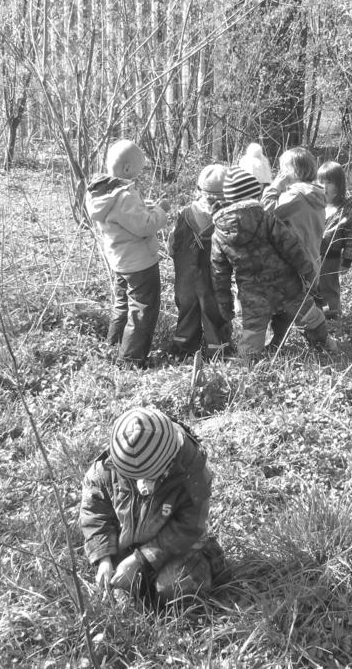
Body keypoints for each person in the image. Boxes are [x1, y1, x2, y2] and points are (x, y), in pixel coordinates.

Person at [80, 407, 224, 606]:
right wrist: (104, 557)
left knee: (175, 587)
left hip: (173, 548)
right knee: (111, 591)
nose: (141, 485)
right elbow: (95, 512)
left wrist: (141, 559)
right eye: (130, 477)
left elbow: (188, 528)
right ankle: (135, 592)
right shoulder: (106, 469)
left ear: (168, 464)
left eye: (148, 478)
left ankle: (200, 570)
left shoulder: (191, 475)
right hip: (126, 544)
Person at [211, 167, 333, 359]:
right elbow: (291, 246)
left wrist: (225, 305)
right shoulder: (266, 218)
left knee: (253, 331)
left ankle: (247, 364)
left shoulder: (219, 232)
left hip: (252, 293)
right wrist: (308, 272)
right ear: (254, 193)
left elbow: (219, 273)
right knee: (309, 314)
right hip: (286, 284)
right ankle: (324, 344)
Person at [86, 140, 170, 369]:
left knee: (122, 304)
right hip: (139, 263)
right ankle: (131, 360)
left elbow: (124, 218)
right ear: (126, 169)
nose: (140, 175)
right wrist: (161, 210)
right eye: (139, 170)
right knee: (142, 309)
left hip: (120, 260)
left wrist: (144, 206)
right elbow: (143, 226)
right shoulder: (123, 196)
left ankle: (113, 346)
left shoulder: (101, 190)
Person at [260, 147, 326, 348]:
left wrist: (274, 187)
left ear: (293, 172)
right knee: (295, 301)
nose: (279, 174)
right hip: (311, 258)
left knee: (292, 303)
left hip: (294, 261)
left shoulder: (296, 196)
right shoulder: (316, 194)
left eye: (282, 170)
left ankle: (320, 339)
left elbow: (264, 212)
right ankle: (284, 340)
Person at [168, 164, 232, 360]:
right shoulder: (227, 218)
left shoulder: (185, 214)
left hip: (186, 277)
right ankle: (217, 350)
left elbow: (172, 245)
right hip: (214, 277)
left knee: (187, 311)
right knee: (215, 313)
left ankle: (183, 348)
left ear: (198, 190)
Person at [316, 161, 352, 320]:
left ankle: (333, 314)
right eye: (321, 182)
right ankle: (315, 314)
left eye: (329, 183)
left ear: (339, 185)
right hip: (313, 254)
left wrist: (347, 261)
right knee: (312, 286)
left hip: (331, 256)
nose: (324, 187)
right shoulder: (316, 204)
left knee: (328, 285)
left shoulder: (348, 212)